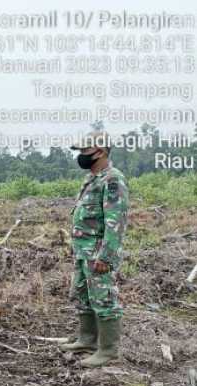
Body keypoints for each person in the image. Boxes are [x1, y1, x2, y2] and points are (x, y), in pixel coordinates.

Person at [60, 131, 128, 368]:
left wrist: (106, 256)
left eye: (84, 151)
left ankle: (108, 350)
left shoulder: (112, 179)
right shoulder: (92, 178)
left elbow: (115, 222)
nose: (80, 156)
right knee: (82, 294)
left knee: (104, 298)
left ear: (100, 151)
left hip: (98, 252)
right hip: (83, 251)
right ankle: (87, 340)